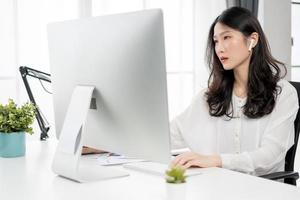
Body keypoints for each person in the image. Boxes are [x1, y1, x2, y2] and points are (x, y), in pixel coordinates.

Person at [170, 6, 299, 176]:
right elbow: (171, 135)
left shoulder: (283, 94)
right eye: (216, 41)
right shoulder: (209, 97)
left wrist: (217, 160)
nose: (219, 48)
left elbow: (270, 156)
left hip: (263, 191)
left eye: (227, 37)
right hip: (217, 187)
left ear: (252, 40)